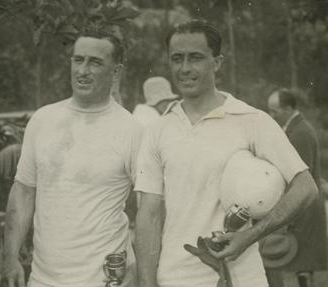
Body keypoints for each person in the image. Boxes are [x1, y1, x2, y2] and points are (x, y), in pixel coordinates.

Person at [134, 20, 317, 287]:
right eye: (177, 59)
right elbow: (148, 214)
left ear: (217, 62)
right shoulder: (157, 129)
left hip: (242, 279)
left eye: (195, 58)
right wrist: (147, 283)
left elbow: (306, 187)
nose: (185, 69)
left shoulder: (251, 119)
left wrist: (250, 235)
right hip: (175, 278)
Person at [1, 28, 142, 287]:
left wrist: (138, 271)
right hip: (44, 279)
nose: (83, 70)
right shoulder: (43, 120)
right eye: (78, 60)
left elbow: (150, 207)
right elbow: (23, 192)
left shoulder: (132, 129)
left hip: (104, 280)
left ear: (116, 72)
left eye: (95, 62)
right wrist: (9, 258)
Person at [264, 89, 327, 287]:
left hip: (305, 207)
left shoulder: (299, 133)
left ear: (289, 108)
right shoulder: (297, 128)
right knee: (302, 263)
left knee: (302, 261)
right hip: (306, 204)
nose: (272, 116)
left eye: (274, 112)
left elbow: (300, 178)